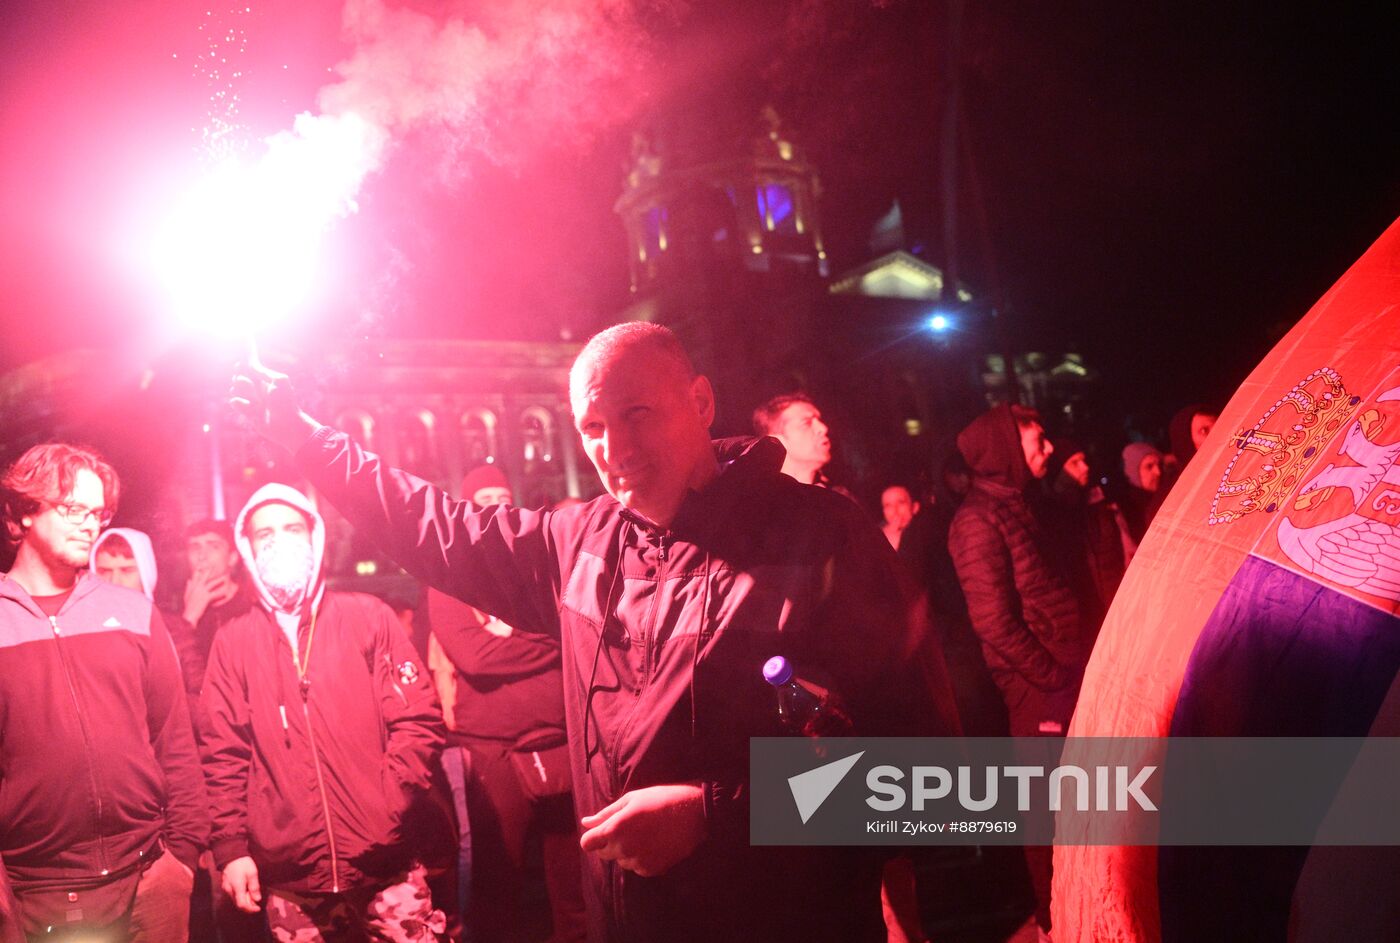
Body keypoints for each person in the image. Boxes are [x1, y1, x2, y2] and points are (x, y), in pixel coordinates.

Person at [230, 322, 959, 943]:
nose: (614, 446)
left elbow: (939, 784)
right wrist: (303, 436)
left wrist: (715, 813)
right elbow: (434, 526)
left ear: (700, 401)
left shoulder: (821, 536)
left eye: (636, 412)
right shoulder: (577, 543)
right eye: (593, 426)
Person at [198, 484, 449, 942]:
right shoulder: (233, 642)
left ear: (314, 537)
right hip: (291, 879)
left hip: (387, 864)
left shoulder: (368, 616)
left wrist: (386, 805)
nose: (279, 540)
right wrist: (231, 848)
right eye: (265, 533)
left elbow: (418, 721)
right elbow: (222, 754)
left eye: (292, 528)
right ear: (248, 549)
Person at [0, 443, 207, 941]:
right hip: (34, 893)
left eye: (97, 512)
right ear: (26, 512)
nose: (89, 524)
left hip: (150, 878)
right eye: (72, 508)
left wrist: (182, 858)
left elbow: (174, 742)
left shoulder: (133, 612)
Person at [425, 465, 585, 943]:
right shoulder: (447, 574)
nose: (496, 504)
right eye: (484, 496)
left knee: (576, 876)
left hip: (560, 739)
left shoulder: (538, 568)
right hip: (491, 749)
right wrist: (554, 641)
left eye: (503, 494)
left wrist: (538, 639)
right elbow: (475, 655)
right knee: (500, 875)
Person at [948, 405, 1087, 937]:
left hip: (1059, 677)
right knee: (1046, 808)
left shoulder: (1017, 505)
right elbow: (993, 621)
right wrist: (1051, 676)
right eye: (1037, 438)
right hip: (1037, 689)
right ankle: (1056, 920)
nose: (1047, 448)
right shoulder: (975, 521)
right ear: (1006, 448)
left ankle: (1081, 907)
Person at [1044, 440, 1129, 632]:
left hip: (1116, 604)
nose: (1085, 467)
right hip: (1087, 618)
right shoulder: (1053, 517)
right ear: (1058, 471)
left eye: (1084, 460)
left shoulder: (1097, 503)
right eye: (1074, 463)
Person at [751, 392, 833, 486]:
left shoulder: (841, 496)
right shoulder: (758, 498)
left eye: (819, 420)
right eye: (806, 423)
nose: (823, 428)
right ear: (775, 440)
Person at [1120, 441, 1165, 545]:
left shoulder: (1166, 495)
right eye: (1149, 466)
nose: (1158, 472)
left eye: (1159, 465)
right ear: (1133, 472)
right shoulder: (1129, 511)